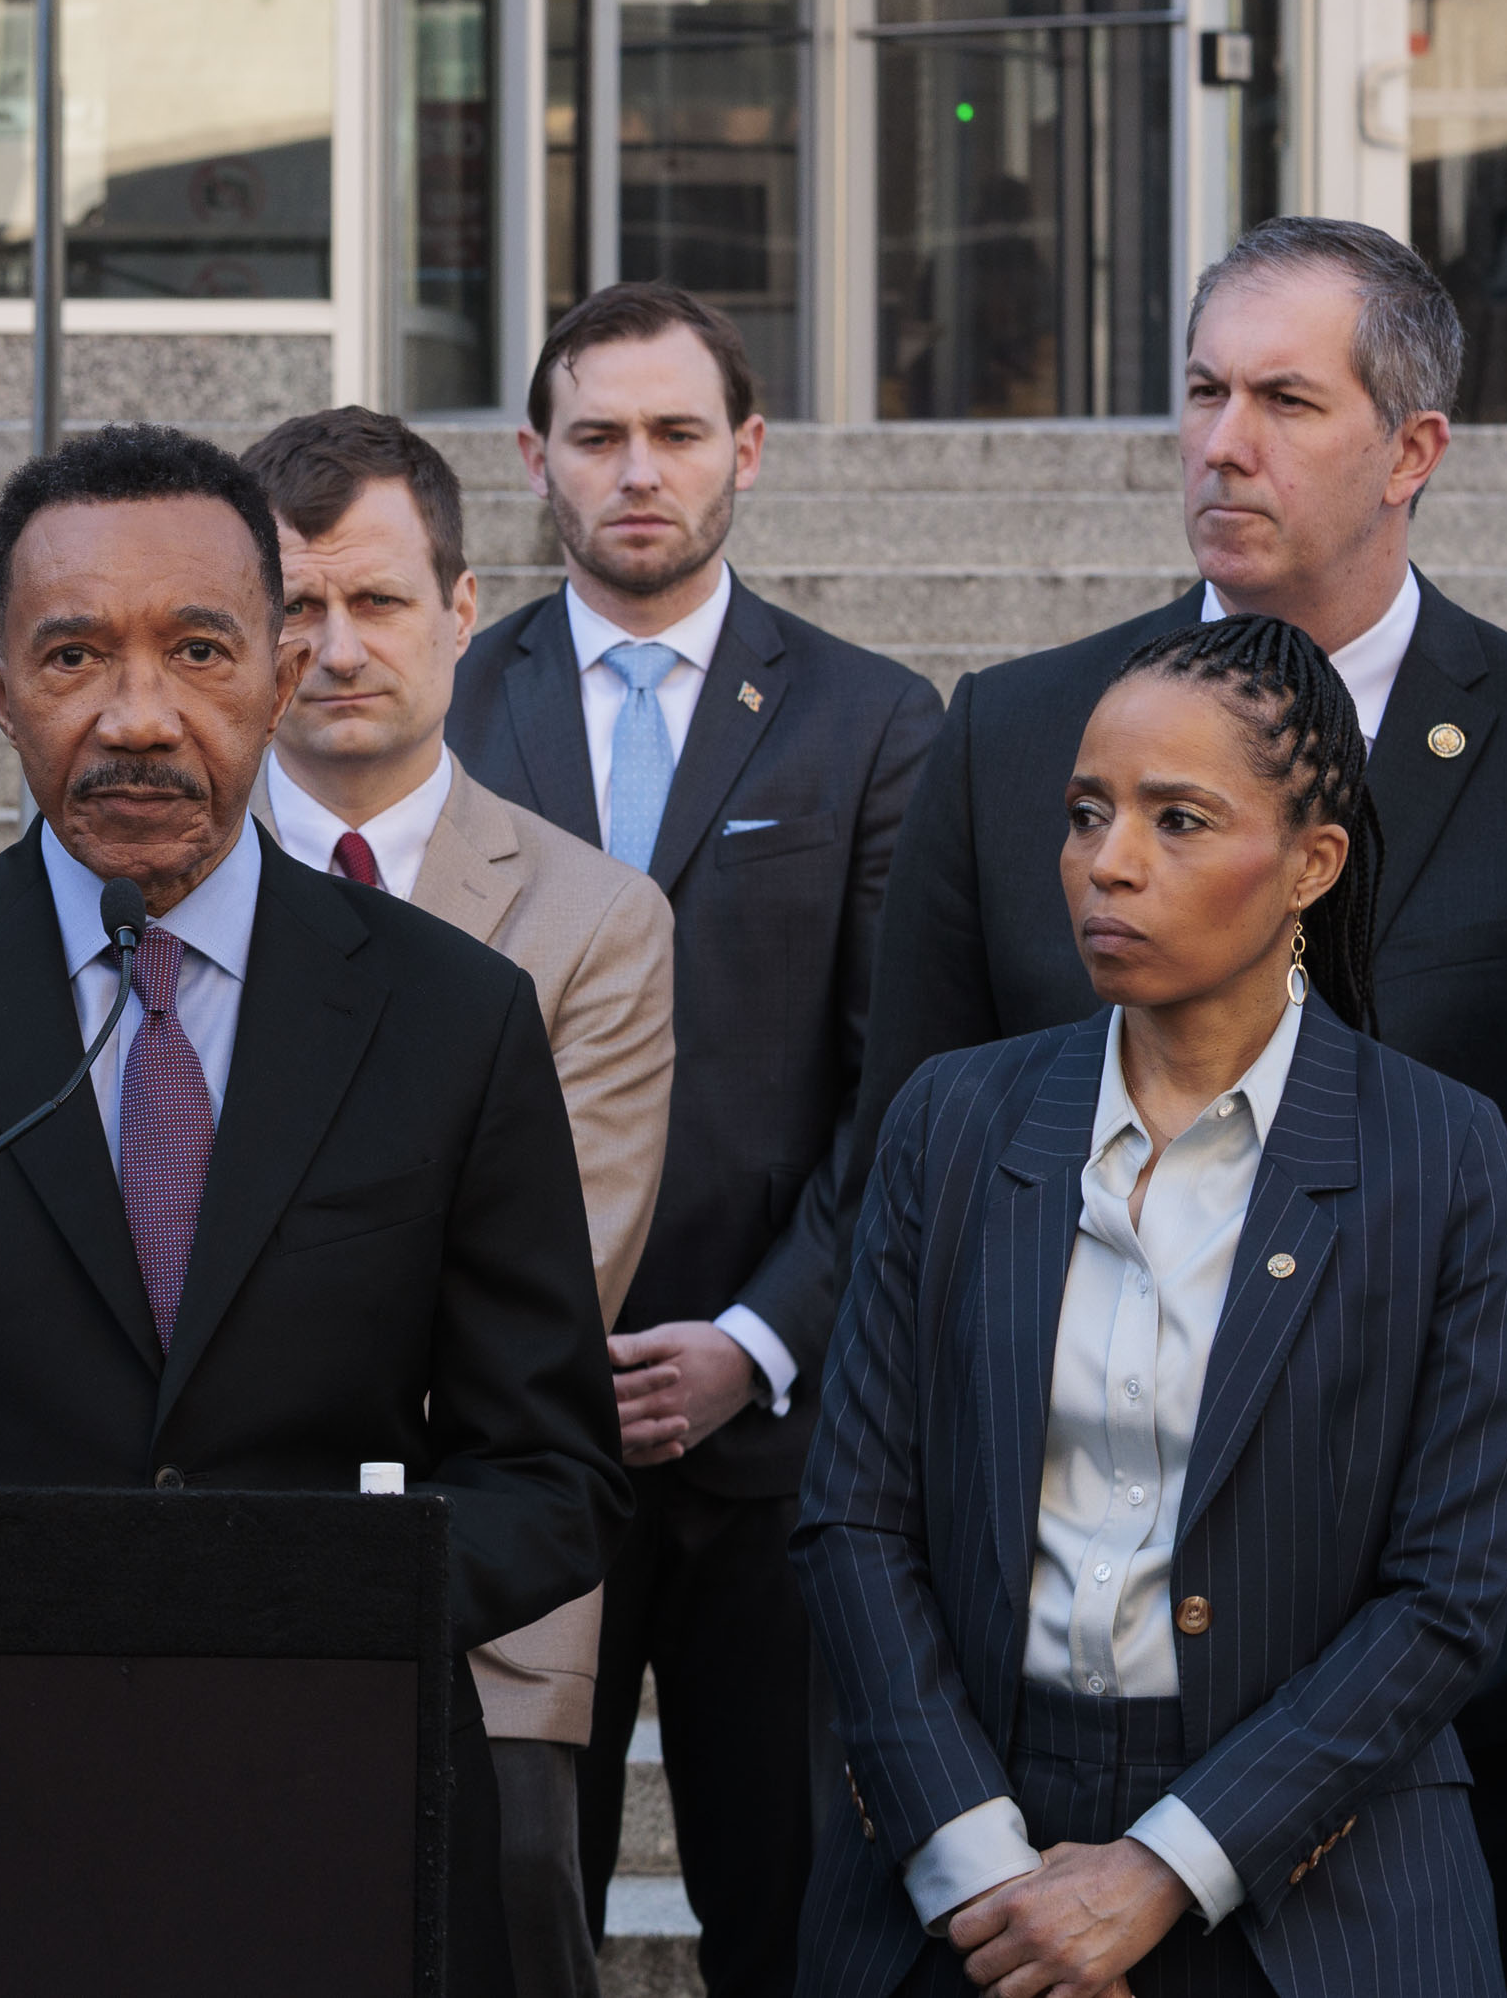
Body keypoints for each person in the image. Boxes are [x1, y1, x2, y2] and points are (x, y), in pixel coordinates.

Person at [0, 422, 628, 1998]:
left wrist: (297, 1594)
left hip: (335, 1814)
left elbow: (552, 1470)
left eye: (197, 649)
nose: (137, 716)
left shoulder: (451, 1015)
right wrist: (17, 1595)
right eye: (71, 655)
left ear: (281, 668)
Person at [856, 216, 1507, 1983]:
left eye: (1285, 398)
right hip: (1005, 1723)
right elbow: (902, 1163)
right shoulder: (1014, 732)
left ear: (1413, 448)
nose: (1221, 440)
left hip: (1383, 1733)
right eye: (1201, 390)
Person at [801, 615, 1507, 1998]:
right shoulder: (952, 1118)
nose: (1108, 862)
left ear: (1311, 863)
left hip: (1314, 1888)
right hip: (962, 1860)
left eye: (1177, 818)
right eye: (1087, 814)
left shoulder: (1440, 1154)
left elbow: (1448, 1594)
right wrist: (987, 1873)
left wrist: (1160, 1866)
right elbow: (851, 1515)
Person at [444, 280, 944, 1995]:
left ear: (745, 449)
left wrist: (755, 1338)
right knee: (507, 1905)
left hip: (774, 1447)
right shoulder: (444, 707)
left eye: (673, 433)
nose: (635, 472)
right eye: (596, 436)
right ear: (534, 459)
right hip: (507, 1424)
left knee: (792, 1911)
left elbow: (902, 1084)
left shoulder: (874, 722)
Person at [242, 406, 674, 1998]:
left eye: (378, 600)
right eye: (295, 604)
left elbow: (563, 1268)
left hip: (477, 1590)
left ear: (465, 606)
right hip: (186, 1549)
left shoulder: (593, 915)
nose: (337, 646)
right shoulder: (152, 884)